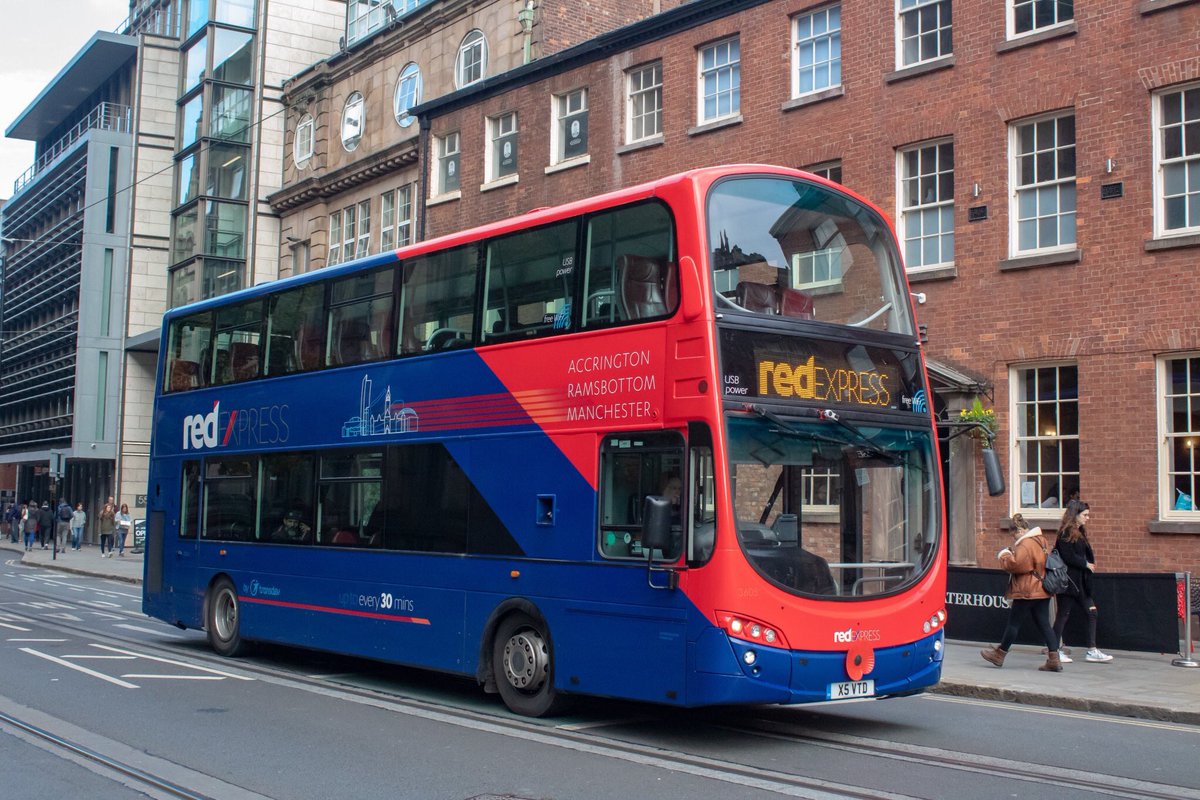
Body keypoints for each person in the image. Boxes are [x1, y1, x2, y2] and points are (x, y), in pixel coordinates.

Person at [980, 513, 1064, 671]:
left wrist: (1004, 555)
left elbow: (1016, 565)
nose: (1014, 539)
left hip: (1027, 590)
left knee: (1014, 624)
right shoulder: (1042, 540)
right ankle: (1054, 659)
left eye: (1013, 536)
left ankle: (999, 655)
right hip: (1042, 589)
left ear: (1019, 531)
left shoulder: (1025, 544)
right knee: (1045, 624)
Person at [1052, 500, 1113, 663]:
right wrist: (1085, 564)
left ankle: (1092, 650)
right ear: (1075, 515)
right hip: (1068, 581)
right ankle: (1054, 650)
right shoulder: (1065, 533)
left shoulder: (1080, 532)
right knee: (1063, 615)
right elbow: (1067, 556)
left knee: (1092, 612)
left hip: (1081, 582)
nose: (1088, 518)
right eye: (1085, 515)